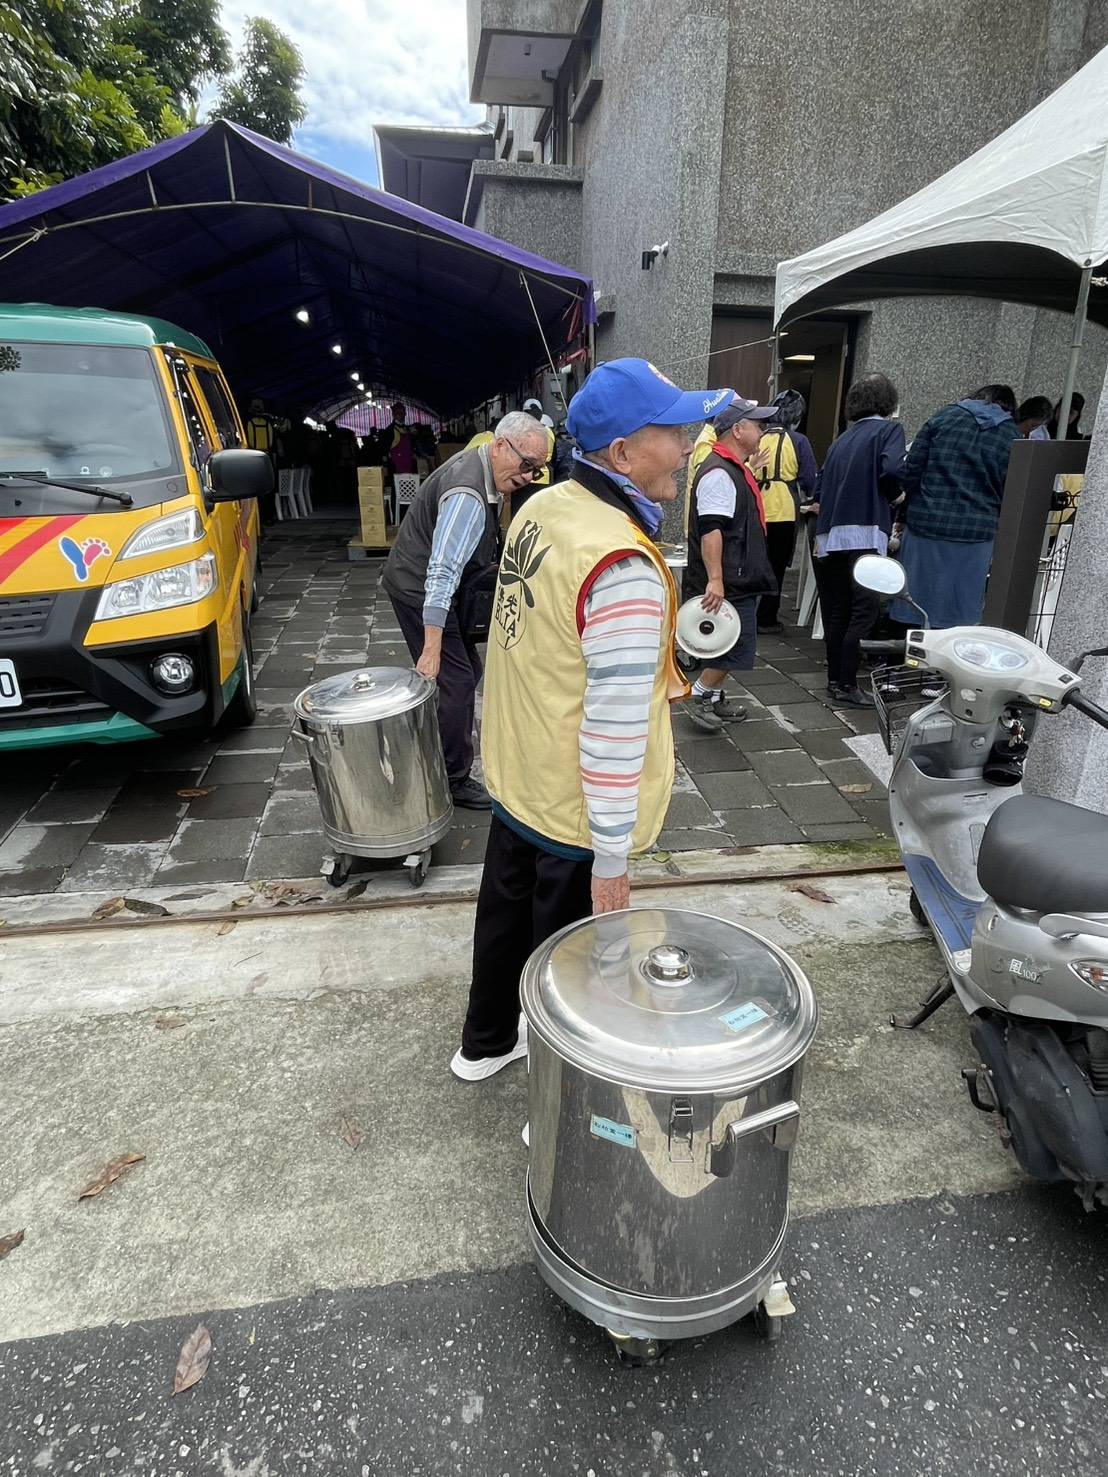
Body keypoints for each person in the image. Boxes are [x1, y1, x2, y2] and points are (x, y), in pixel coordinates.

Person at [450, 359, 733, 1080]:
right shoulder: (622, 564)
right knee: (576, 972)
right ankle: (559, 1109)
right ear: (624, 454)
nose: (689, 445)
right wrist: (611, 857)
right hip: (576, 809)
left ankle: (484, 1044)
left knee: (504, 919)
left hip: (519, 776)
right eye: (675, 432)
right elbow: (614, 723)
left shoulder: (542, 507)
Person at [382, 411, 549, 811]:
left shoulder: (484, 464)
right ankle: (451, 778)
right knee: (455, 681)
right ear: (500, 446)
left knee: (466, 672)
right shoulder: (468, 495)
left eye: (537, 470)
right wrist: (432, 647)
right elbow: (441, 572)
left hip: (423, 583)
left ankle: (437, 751)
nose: (529, 477)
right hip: (418, 589)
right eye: (526, 465)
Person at [681, 398, 779, 732]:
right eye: (757, 425)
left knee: (727, 644)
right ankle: (698, 694)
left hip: (737, 574)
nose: (762, 431)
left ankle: (713, 697)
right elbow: (712, 529)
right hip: (730, 578)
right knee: (735, 645)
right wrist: (715, 579)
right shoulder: (719, 472)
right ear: (737, 430)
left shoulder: (730, 467)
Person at [890, 384, 1019, 630]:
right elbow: (1011, 489)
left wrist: (904, 512)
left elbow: (910, 471)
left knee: (915, 610)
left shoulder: (943, 417)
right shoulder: (1010, 433)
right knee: (962, 618)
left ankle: (913, 651)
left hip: (926, 525)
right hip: (977, 534)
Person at [812, 373, 906, 706]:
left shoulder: (841, 440)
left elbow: (818, 488)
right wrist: (897, 496)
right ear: (889, 402)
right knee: (864, 611)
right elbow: (892, 470)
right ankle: (848, 683)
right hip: (865, 529)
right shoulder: (889, 431)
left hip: (829, 534)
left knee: (837, 611)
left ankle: (835, 680)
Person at [754, 389, 818, 633]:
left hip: (758, 506)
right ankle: (767, 617)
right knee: (777, 565)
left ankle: (750, 612)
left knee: (756, 561)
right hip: (783, 510)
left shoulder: (758, 436)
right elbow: (809, 479)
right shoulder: (799, 441)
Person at [383, 401, 416, 474]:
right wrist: (386, 465)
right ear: (394, 415)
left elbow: (412, 446)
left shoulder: (407, 429)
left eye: (403, 413)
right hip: (396, 466)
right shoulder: (389, 430)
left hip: (409, 464)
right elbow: (385, 450)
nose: (401, 416)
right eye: (398, 413)